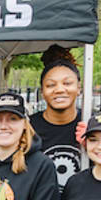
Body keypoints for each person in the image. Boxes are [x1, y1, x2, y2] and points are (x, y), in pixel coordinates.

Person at [32, 52, 87, 190]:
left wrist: (94, 143)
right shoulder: (28, 127)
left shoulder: (91, 125)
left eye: (67, 83)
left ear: (79, 88)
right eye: (51, 85)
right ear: (42, 92)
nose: (59, 90)